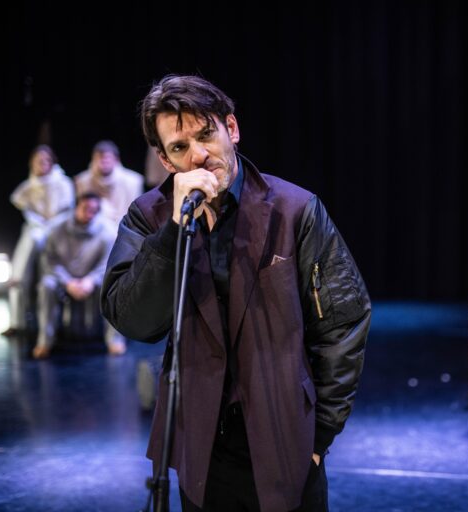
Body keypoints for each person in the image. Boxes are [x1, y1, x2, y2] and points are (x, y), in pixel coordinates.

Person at [101, 75, 371, 512]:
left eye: (206, 134)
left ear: (232, 128)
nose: (199, 155)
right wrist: (173, 232)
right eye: (179, 147)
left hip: (286, 440)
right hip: (199, 449)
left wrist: (319, 436)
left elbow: (344, 324)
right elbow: (131, 319)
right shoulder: (149, 218)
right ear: (165, 161)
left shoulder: (295, 209)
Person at [33, 192, 125, 359]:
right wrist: (67, 282)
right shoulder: (56, 229)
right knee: (46, 285)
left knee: (114, 286)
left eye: (94, 210)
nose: (89, 213)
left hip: (92, 279)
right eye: (85, 208)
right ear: (75, 207)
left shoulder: (108, 232)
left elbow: (108, 263)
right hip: (63, 278)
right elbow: (49, 261)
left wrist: (90, 280)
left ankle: (114, 340)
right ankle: (45, 341)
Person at [4, 145, 75, 337]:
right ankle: (16, 319)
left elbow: (66, 212)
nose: (41, 164)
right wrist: (40, 225)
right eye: (38, 161)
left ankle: (52, 324)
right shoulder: (28, 187)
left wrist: (49, 225)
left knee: (49, 278)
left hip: (58, 233)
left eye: (45, 160)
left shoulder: (63, 183)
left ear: (52, 163)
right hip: (36, 231)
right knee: (27, 251)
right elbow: (28, 213)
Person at [74, 140, 144, 225]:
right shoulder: (82, 181)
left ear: (116, 160)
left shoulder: (133, 181)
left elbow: (134, 215)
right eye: (99, 158)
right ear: (93, 160)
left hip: (124, 228)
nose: (104, 161)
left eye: (108, 158)